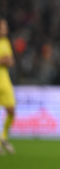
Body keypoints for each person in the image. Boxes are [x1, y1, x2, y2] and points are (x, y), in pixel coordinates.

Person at [0, 16, 16, 155]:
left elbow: (11, 61)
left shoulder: (5, 42)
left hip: (4, 81)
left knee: (11, 111)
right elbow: (6, 59)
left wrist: (5, 60)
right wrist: (3, 59)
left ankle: (3, 137)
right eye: (3, 27)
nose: (6, 29)